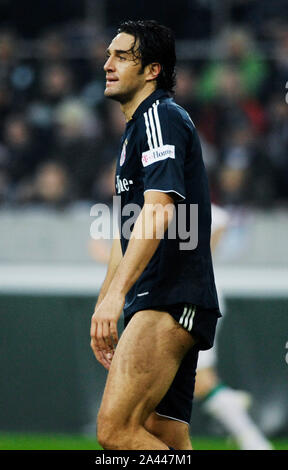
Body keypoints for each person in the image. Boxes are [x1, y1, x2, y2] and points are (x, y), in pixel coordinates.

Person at [90, 20, 221, 451]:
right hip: (160, 299)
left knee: (114, 431)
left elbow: (159, 210)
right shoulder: (135, 131)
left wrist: (116, 296)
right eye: (109, 55)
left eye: (122, 56)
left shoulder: (159, 116)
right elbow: (125, 231)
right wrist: (106, 300)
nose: (107, 64)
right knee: (165, 437)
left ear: (152, 70)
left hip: (170, 296)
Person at [194, 203, 273, 450]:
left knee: (198, 382)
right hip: (189, 301)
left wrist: (198, 258)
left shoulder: (186, 199)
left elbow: (221, 219)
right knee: (195, 382)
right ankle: (228, 403)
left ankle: (251, 437)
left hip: (196, 303)